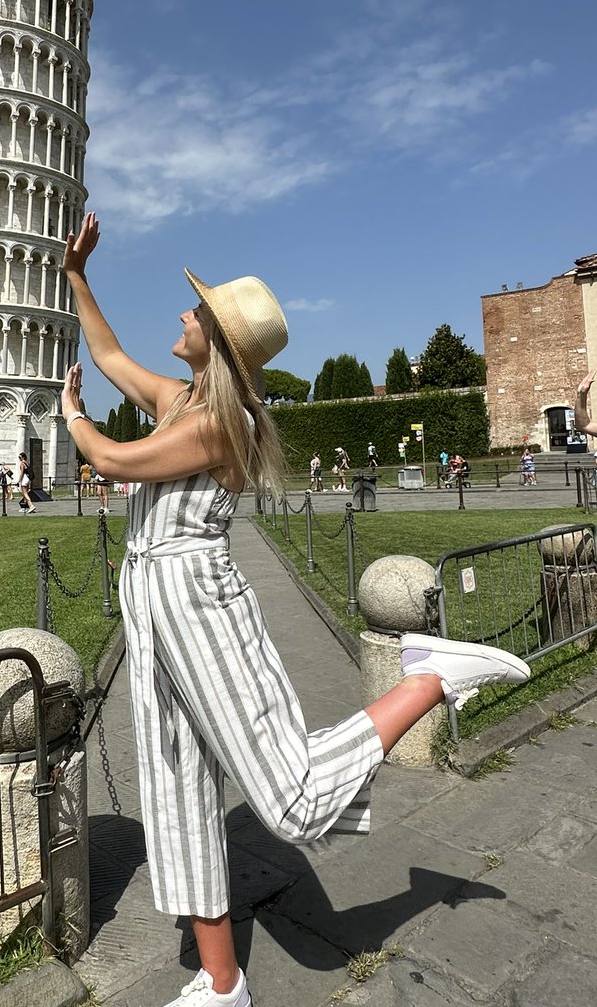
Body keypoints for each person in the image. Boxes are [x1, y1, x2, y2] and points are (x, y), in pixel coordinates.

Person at [59, 210, 530, 1007]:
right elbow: (108, 355)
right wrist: (77, 276)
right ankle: (221, 982)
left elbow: (108, 457)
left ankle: (428, 679)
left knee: (293, 797)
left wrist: (72, 414)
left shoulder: (222, 423)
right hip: (153, 606)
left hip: (198, 603)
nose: (179, 315)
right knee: (175, 792)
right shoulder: (179, 398)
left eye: (192, 311)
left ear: (215, 338)